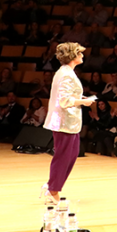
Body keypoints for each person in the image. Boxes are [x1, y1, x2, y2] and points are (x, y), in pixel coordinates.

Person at [41, 43, 96, 203]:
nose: (83, 56)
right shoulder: (65, 74)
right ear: (73, 55)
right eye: (80, 53)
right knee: (63, 156)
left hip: (69, 123)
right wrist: (83, 102)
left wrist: (82, 99)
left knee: (71, 154)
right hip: (64, 122)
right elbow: (64, 101)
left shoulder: (66, 72)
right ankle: (53, 190)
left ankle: (53, 186)